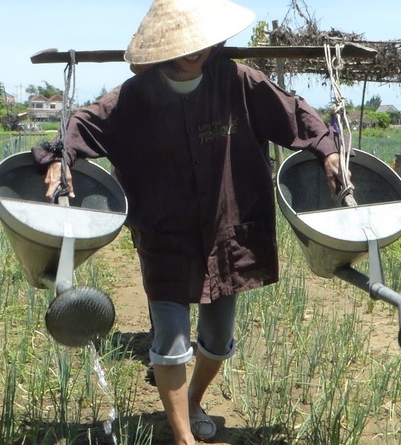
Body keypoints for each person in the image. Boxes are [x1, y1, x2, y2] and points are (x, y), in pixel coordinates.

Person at [32, 0, 354, 442]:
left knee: (218, 340)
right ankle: (182, 435)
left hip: (229, 232)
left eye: (199, 43)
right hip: (165, 234)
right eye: (182, 45)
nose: (193, 52)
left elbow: (295, 113)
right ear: (161, 47)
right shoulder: (134, 97)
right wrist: (58, 159)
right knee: (169, 341)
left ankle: (193, 398)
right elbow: (81, 127)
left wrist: (329, 150)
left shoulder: (238, 81)